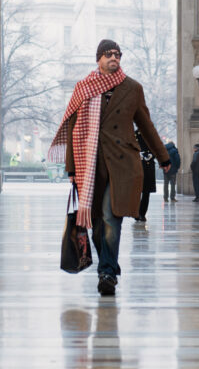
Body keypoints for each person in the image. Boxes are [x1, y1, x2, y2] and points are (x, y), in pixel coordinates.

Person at [49, 39, 170, 297]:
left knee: (110, 217)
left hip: (122, 165)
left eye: (117, 54)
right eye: (108, 54)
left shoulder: (132, 88)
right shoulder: (83, 88)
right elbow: (72, 130)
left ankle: (106, 273)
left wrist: (163, 157)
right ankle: (110, 264)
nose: (114, 58)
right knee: (95, 223)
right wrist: (71, 169)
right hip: (89, 165)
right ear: (98, 59)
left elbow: (146, 125)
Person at [136, 131, 156, 223]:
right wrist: (138, 154)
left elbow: (157, 148)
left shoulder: (151, 134)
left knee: (146, 192)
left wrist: (152, 154)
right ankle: (136, 212)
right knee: (136, 192)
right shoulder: (134, 135)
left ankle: (142, 214)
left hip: (148, 166)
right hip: (138, 165)